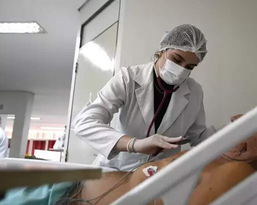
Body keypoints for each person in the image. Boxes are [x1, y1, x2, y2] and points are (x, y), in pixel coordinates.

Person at [0, 112, 257, 205]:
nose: (235, 117)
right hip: (67, 191)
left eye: (254, 119)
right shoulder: (217, 158)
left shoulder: (236, 172)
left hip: (67, 204)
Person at [73, 24, 216, 171]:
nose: (181, 71)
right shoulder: (128, 78)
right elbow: (84, 123)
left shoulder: (194, 91)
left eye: (190, 67)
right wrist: (134, 145)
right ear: (162, 51)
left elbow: (198, 137)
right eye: (177, 60)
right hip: (118, 170)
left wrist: (235, 133)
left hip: (159, 176)